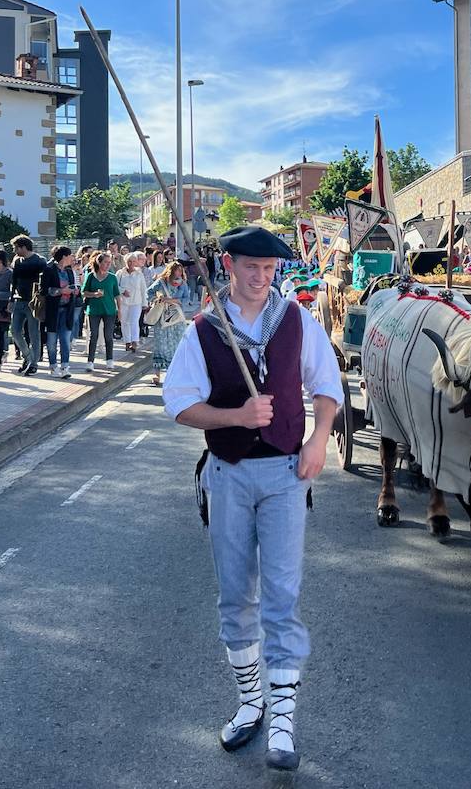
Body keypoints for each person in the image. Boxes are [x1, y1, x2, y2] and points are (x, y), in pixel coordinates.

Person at [163, 226, 342, 772]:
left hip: (288, 473)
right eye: (250, 267)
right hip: (229, 474)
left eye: (269, 268)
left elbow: (328, 386)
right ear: (229, 265)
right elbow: (178, 402)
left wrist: (317, 440)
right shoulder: (203, 330)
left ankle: (284, 719)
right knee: (235, 595)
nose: (261, 277)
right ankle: (250, 702)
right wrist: (235, 417)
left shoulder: (295, 320)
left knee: (282, 596)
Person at [9, 234, 48, 376]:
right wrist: (11, 299)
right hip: (19, 300)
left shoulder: (39, 261)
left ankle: (34, 363)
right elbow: (13, 281)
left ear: (23, 247)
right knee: (15, 331)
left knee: (33, 333)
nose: (14, 251)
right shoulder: (17, 261)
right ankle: (28, 356)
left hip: (33, 302)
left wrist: (42, 300)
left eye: (16, 248)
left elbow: (44, 281)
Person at [147, 261, 188, 387]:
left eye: (181, 271)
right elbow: (149, 292)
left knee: (177, 345)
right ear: (171, 271)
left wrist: (171, 300)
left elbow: (186, 299)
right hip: (162, 319)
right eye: (177, 270)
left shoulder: (183, 284)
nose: (179, 273)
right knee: (160, 346)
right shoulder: (161, 282)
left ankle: (175, 374)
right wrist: (156, 300)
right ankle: (157, 374)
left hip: (176, 319)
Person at [43, 245, 79, 378]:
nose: (72, 258)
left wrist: (75, 291)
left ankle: (65, 366)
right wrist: (61, 291)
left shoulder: (69, 271)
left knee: (65, 338)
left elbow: (73, 286)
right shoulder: (49, 270)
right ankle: (53, 367)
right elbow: (44, 291)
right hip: (53, 311)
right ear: (64, 256)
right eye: (70, 256)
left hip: (67, 309)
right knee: (51, 341)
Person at [82, 252, 120, 371]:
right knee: (94, 336)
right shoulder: (90, 276)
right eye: (106, 262)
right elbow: (84, 292)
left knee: (108, 336)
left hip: (109, 310)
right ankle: (90, 361)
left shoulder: (112, 277)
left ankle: (109, 360)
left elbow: (117, 295)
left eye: (109, 262)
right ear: (99, 262)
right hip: (93, 310)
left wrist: (120, 311)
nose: (108, 264)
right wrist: (94, 294)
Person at [118, 251, 149, 353]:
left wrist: (145, 303)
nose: (131, 263)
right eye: (129, 261)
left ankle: (135, 341)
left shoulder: (139, 274)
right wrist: (122, 291)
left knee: (134, 321)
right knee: (124, 322)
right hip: (123, 302)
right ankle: (127, 341)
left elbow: (143, 289)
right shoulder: (120, 273)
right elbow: (114, 286)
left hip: (136, 301)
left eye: (133, 261)